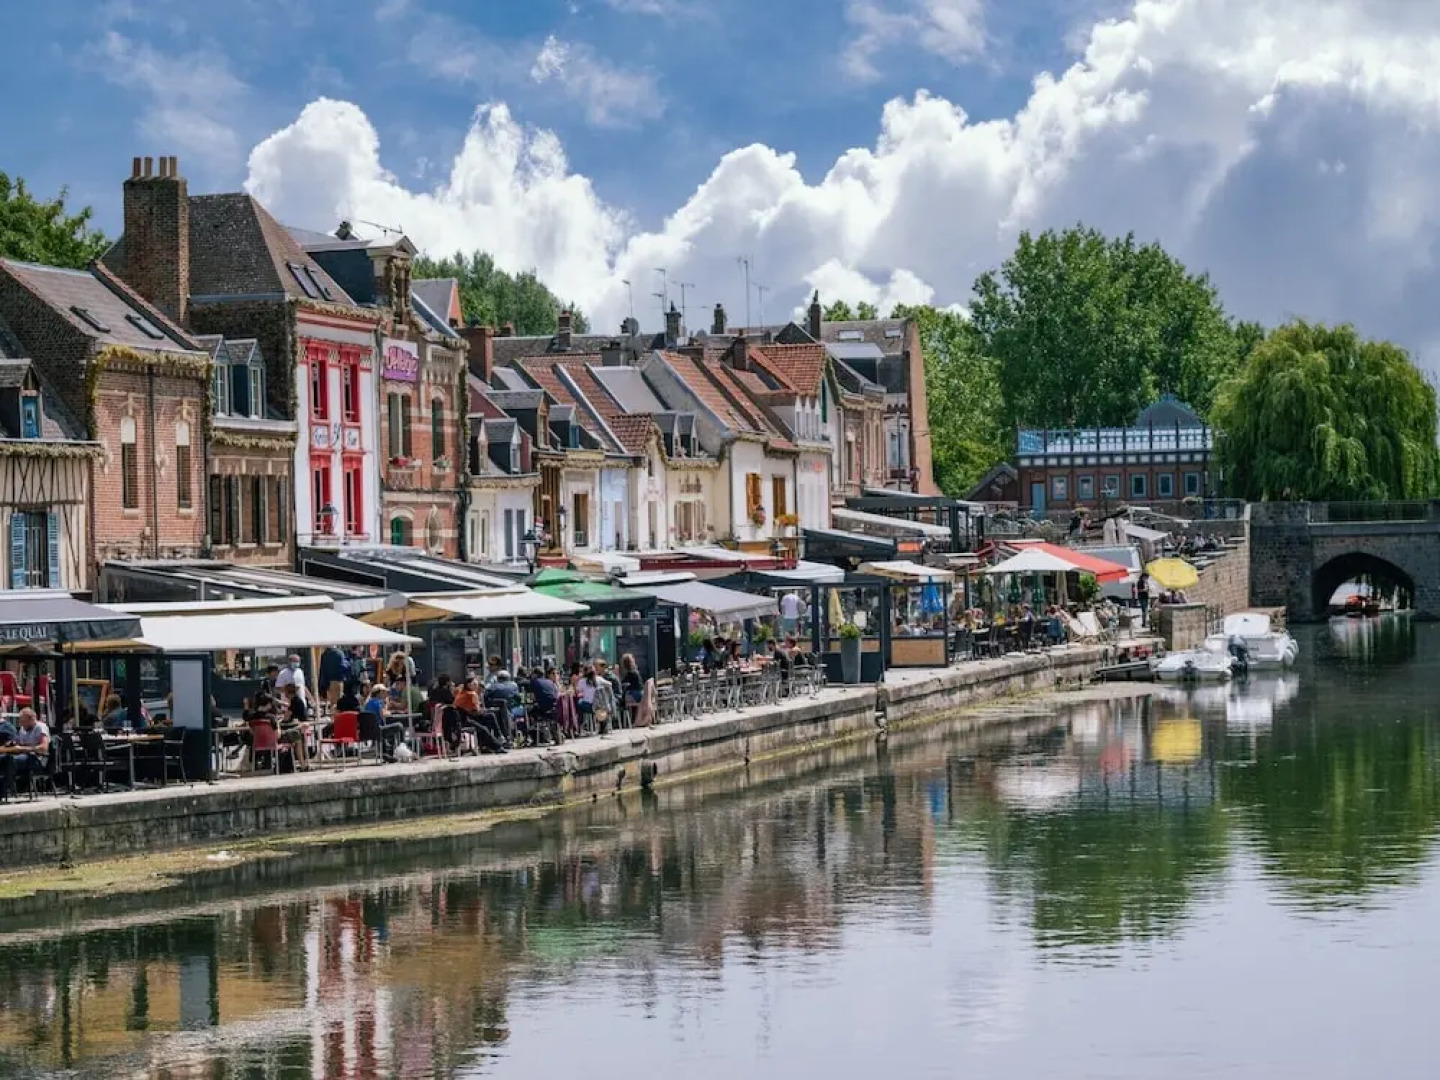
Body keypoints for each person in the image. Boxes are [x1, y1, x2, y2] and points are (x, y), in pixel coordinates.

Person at [0, 708, 49, 801]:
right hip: (24, 757)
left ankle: (4, 791)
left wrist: (23, 748)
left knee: (9, 760)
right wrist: (11, 744)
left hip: (37, 759)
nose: (21, 724)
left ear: (32, 719)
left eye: (23, 721)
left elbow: (43, 748)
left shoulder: (40, 727)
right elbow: (18, 742)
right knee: (3, 758)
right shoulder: (23, 729)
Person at [360, 684, 407, 760]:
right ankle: (400, 749)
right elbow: (384, 714)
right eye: (384, 692)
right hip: (379, 730)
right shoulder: (379, 702)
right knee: (399, 725)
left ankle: (387, 752)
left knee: (390, 726)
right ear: (379, 693)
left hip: (368, 732)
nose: (386, 694)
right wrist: (391, 711)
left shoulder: (368, 703)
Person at [280, 684, 311, 770]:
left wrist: (280, 720)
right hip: (301, 725)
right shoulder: (297, 700)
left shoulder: (294, 702)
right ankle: (303, 764)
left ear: (288, 692)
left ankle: (302, 764)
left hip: (298, 726)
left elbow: (287, 716)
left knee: (295, 738)